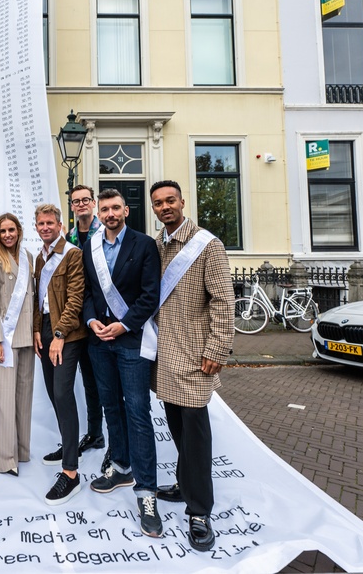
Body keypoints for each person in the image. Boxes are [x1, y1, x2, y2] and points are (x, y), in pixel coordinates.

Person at [149, 180, 234, 552]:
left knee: (196, 436)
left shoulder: (207, 245)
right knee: (178, 429)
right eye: (158, 203)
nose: (165, 207)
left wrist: (218, 348)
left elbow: (223, 301)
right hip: (165, 356)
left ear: (182, 202)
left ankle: (199, 512)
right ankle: (185, 485)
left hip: (196, 356)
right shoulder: (157, 245)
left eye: (170, 200)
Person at [82, 188, 162, 537]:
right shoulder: (91, 246)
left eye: (116, 208)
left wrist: (124, 324)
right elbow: (87, 292)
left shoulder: (144, 245)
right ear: (98, 213)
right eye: (105, 209)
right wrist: (91, 321)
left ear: (126, 211)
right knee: (111, 406)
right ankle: (121, 466)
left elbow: (150, 295)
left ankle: (147, 493)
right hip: (100, 342)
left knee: (137, 413)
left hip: (131, 341)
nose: (110, 214)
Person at [32, 203, 87, 505]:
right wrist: (36, 330)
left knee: (64, 394)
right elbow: (38, 299)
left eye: (50, 223)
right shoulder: (40, 257)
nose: (45, 228)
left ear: (60, 225)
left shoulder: (72, 254)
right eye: (41, 224)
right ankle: (69, 447)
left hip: (66, 333)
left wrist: (59, 334)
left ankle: (71, 473)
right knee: (55, 395)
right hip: (44, 329)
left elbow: (76, 298)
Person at [0, 213, 35, 477]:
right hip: (5, 339)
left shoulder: (28, 257)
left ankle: (21, 450)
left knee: (24, 397)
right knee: (3, 399)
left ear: (19, 230)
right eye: (2, 231)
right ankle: (4, 458)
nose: (7, 235)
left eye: (11, 230)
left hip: (27, 336)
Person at [62, 185, 106, 465]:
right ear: (72, 206)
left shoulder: (105, 232)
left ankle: (115, 441)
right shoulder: (69, 237)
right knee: (89, 381)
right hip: (77, 320)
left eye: (85, 200)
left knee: (107, 383)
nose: (81, 205)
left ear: (93, 203)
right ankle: (95, 433)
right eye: (76, 201)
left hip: (101, 317)